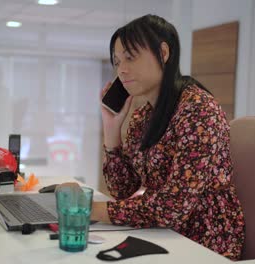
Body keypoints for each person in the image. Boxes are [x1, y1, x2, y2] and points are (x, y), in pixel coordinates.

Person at [90, 14, 245, 260]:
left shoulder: (198, 109)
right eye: (117, 61)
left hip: (204, 240)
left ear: (163, 53)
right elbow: (123, 189)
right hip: (165, 233)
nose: (121, 70)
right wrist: (112, 130)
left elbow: (173, 208)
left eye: (130, 57)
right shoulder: (143, 116)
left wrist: (94, 210)